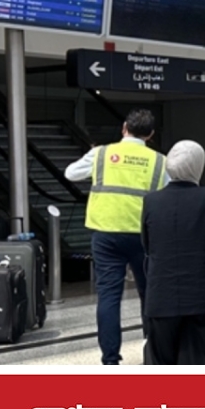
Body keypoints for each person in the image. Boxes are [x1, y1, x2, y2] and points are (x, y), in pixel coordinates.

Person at [65, 109, 167, 365]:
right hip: (143, 236)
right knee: (150, 294)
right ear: (150, 134)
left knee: (109, 296)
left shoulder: (101, 154)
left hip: (106, 234)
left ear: (124, 128)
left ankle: (110, 359)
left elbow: (70, 173)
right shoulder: (159, 161)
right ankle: (153, 352)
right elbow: (169, 191)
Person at [141, 141, 205, 365]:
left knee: (162, 362)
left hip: (162, 296)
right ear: (198, 166)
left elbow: (147, 245)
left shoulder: (151, 201)